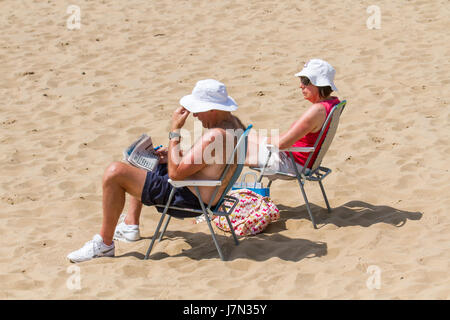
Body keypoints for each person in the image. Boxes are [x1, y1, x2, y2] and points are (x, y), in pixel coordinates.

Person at [67, 79, 245, 263]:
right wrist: (176, 155)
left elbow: (176, 174)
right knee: (140, 161)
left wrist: (175, 130)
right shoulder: (235, 125)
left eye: (198, 111)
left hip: (188, 198)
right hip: (205, 191)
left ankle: (104, 245)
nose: (196, 116)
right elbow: (212, 160)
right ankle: (130, 225)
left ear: (211, 109)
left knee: (115, 172)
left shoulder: (215, 135)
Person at [246, 58, 340, 177]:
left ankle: (217, 193)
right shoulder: (333, 103)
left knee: (229, 149)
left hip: (291, 164)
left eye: (305, 81)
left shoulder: (317, 111)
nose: (301, 86)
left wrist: (265, 142)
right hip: (297, 159)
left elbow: (282, 144)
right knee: (242, 137)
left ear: (318, 83)